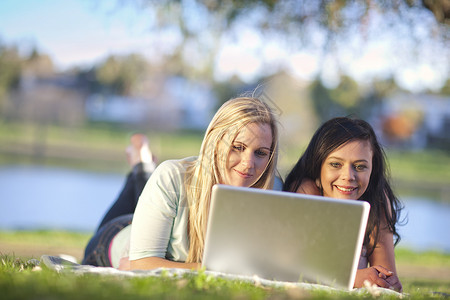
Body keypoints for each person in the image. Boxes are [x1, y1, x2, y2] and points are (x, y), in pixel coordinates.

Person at [82, 96, 281, 270]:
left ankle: (143, 165)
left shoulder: (275, 190)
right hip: (116, 236)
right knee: (154, 181)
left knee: (154, 190)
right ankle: (141, 165)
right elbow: (141, 264)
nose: (248, 164)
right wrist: (214, 270)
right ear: (215, 141)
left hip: (156, 220)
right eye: (237, 147)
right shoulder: (171, 176)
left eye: (261, 153)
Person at [283, 117, 403, 292]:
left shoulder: (377, 198)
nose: (348, 176)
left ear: (372, 168)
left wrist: (387, 282)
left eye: (360, 167)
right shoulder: (306, 191)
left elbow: (386, 276)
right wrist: (354, 278)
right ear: (319, 165)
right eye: (335, 164)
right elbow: (298, 269)